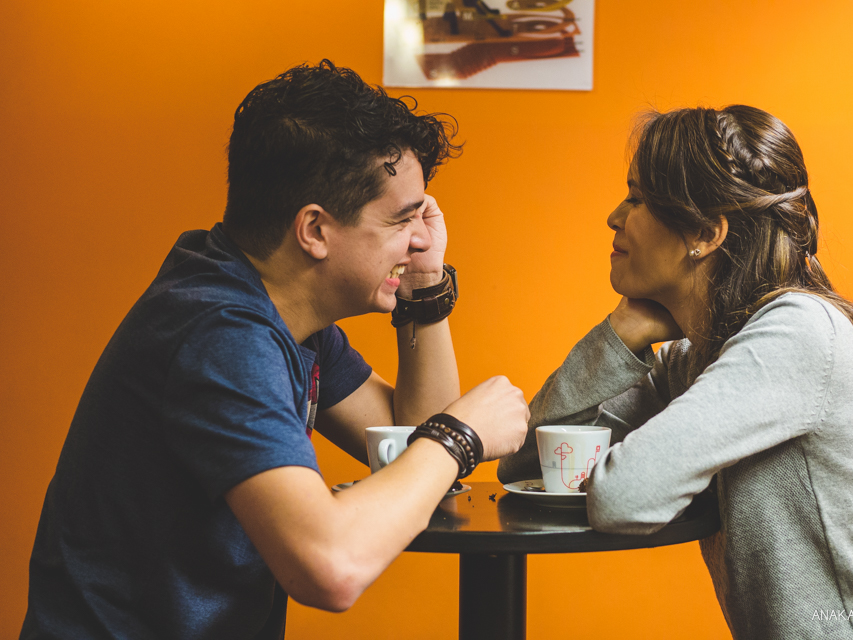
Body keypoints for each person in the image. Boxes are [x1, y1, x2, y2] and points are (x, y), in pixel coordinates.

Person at [21, 61, 529, 639]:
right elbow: (329, 568)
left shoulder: (272, 306)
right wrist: (462, 435)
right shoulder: (220, 335)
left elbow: (408, 435)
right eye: (401, 219)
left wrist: (425, 285)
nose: (420, 236)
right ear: (314, 230)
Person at [498, 105, 853, 639]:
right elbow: (529, 463)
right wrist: (617, 337)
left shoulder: (798, 331)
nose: (614, 216)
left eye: (638, 198)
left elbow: (624, 495)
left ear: (706, 233)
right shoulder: (694, 360)